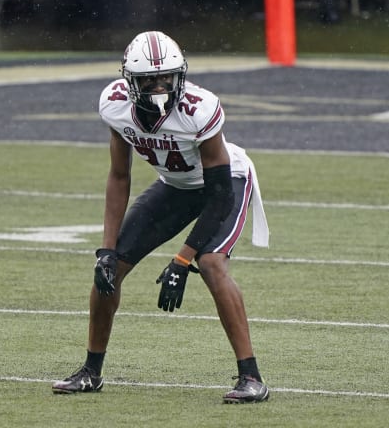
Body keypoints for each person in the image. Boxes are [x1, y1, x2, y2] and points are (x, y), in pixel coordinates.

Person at [52, 31, 270, 404]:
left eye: (166, 77)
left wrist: (182, 260)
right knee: (110, 268)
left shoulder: (198, 109)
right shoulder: (116, 105)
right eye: (149, 80)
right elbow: (120, 177)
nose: (159, 86)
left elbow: (218, 196)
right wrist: (105, 250)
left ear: (179, 75)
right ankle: (91, 371)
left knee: (212, 262)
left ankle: (251, 377)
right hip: (174, 184)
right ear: (130, 82)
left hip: (225, 182)